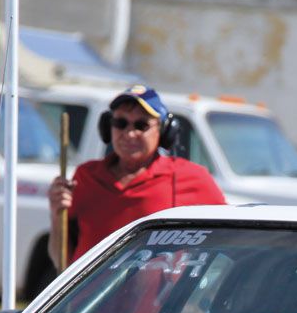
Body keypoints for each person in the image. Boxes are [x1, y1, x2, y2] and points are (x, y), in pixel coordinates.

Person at [47, 84, 225, 266]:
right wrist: (56, 214)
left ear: (164, 130)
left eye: (141, 125)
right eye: (120, 123)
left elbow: (227, 241)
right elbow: (62, 260)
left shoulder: (191, 177)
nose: (130, 134)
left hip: (158, 296)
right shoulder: (85, 176)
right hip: (94, 295)